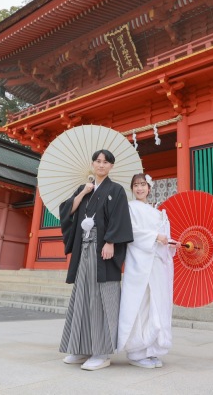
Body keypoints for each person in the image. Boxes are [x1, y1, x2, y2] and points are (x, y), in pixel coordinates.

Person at [59, 149, 133, 371]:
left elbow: (120, 218)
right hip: (84, 250)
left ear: (111, 166)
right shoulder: (84, 189)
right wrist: (83, 193)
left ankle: (101, 352)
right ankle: (81, 347)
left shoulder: (116, 190)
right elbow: (67, 212)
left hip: (103, 251)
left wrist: (111, 242)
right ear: (92, 164)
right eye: (98, 161)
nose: (101, 165)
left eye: (106, 162)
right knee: (82, 295)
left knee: (103, 298)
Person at [117, 173, 175, 369]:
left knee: (155, 304)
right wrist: (154, 236)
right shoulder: (130, 208)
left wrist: (170, 242)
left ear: (149, 188)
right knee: (140, 303)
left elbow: (165, 237)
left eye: (143, 184)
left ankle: (151, 349)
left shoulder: (157, 211)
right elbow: (130, 232)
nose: (139, 188)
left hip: (157, 263)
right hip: (139, 261)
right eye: (136, 185)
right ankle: (136, 351)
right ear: (132, 189)